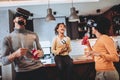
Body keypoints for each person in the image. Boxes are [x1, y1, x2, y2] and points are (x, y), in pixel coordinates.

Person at [1, 8, 47, 80]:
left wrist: (40, 53)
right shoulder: (7, 38)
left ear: (25, 22)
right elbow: (3, 61)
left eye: (24, 18)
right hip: (22, 72)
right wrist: (15, 54)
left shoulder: (34, 35)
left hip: (38, 69)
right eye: (19, 17)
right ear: (14, 20)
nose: (22, 19)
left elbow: (41, 52)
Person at [85, 15, 119, 80]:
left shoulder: (105, 38)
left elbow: (116, 58)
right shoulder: (99, 39)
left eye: (92, 27)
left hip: (107, 73)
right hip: (100, 72)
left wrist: (99, 54)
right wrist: (88, 45)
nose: (91, 28)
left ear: (96, 28)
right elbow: (95, 58)